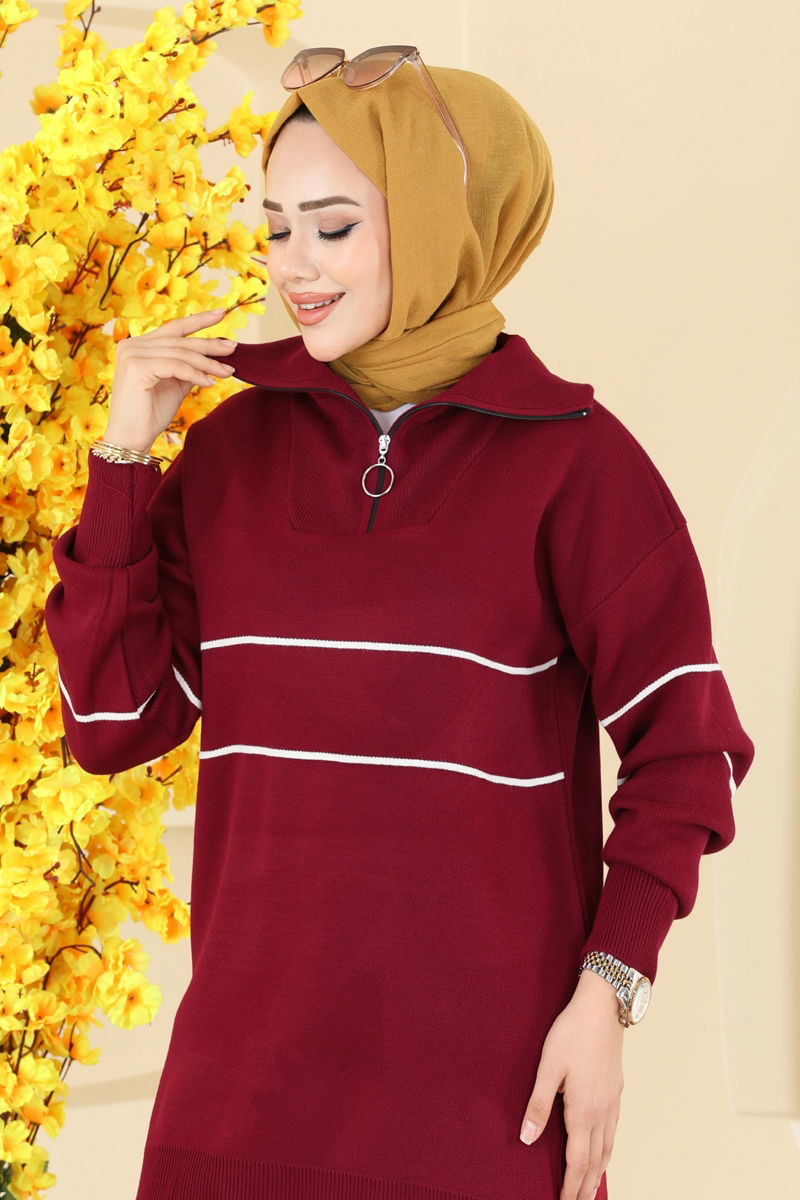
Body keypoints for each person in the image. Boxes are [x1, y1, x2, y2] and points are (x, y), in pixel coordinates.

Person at [44, 46, 755, 1200]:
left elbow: (687, 753)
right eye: (276, 228)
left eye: (332, 227)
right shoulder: (225, 452)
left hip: (487, 1113)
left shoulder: (576, 468)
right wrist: (125, 457)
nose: (294, 266)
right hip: (237, 1106)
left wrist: (607, 996)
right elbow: (113, 727)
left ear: (440, 222)